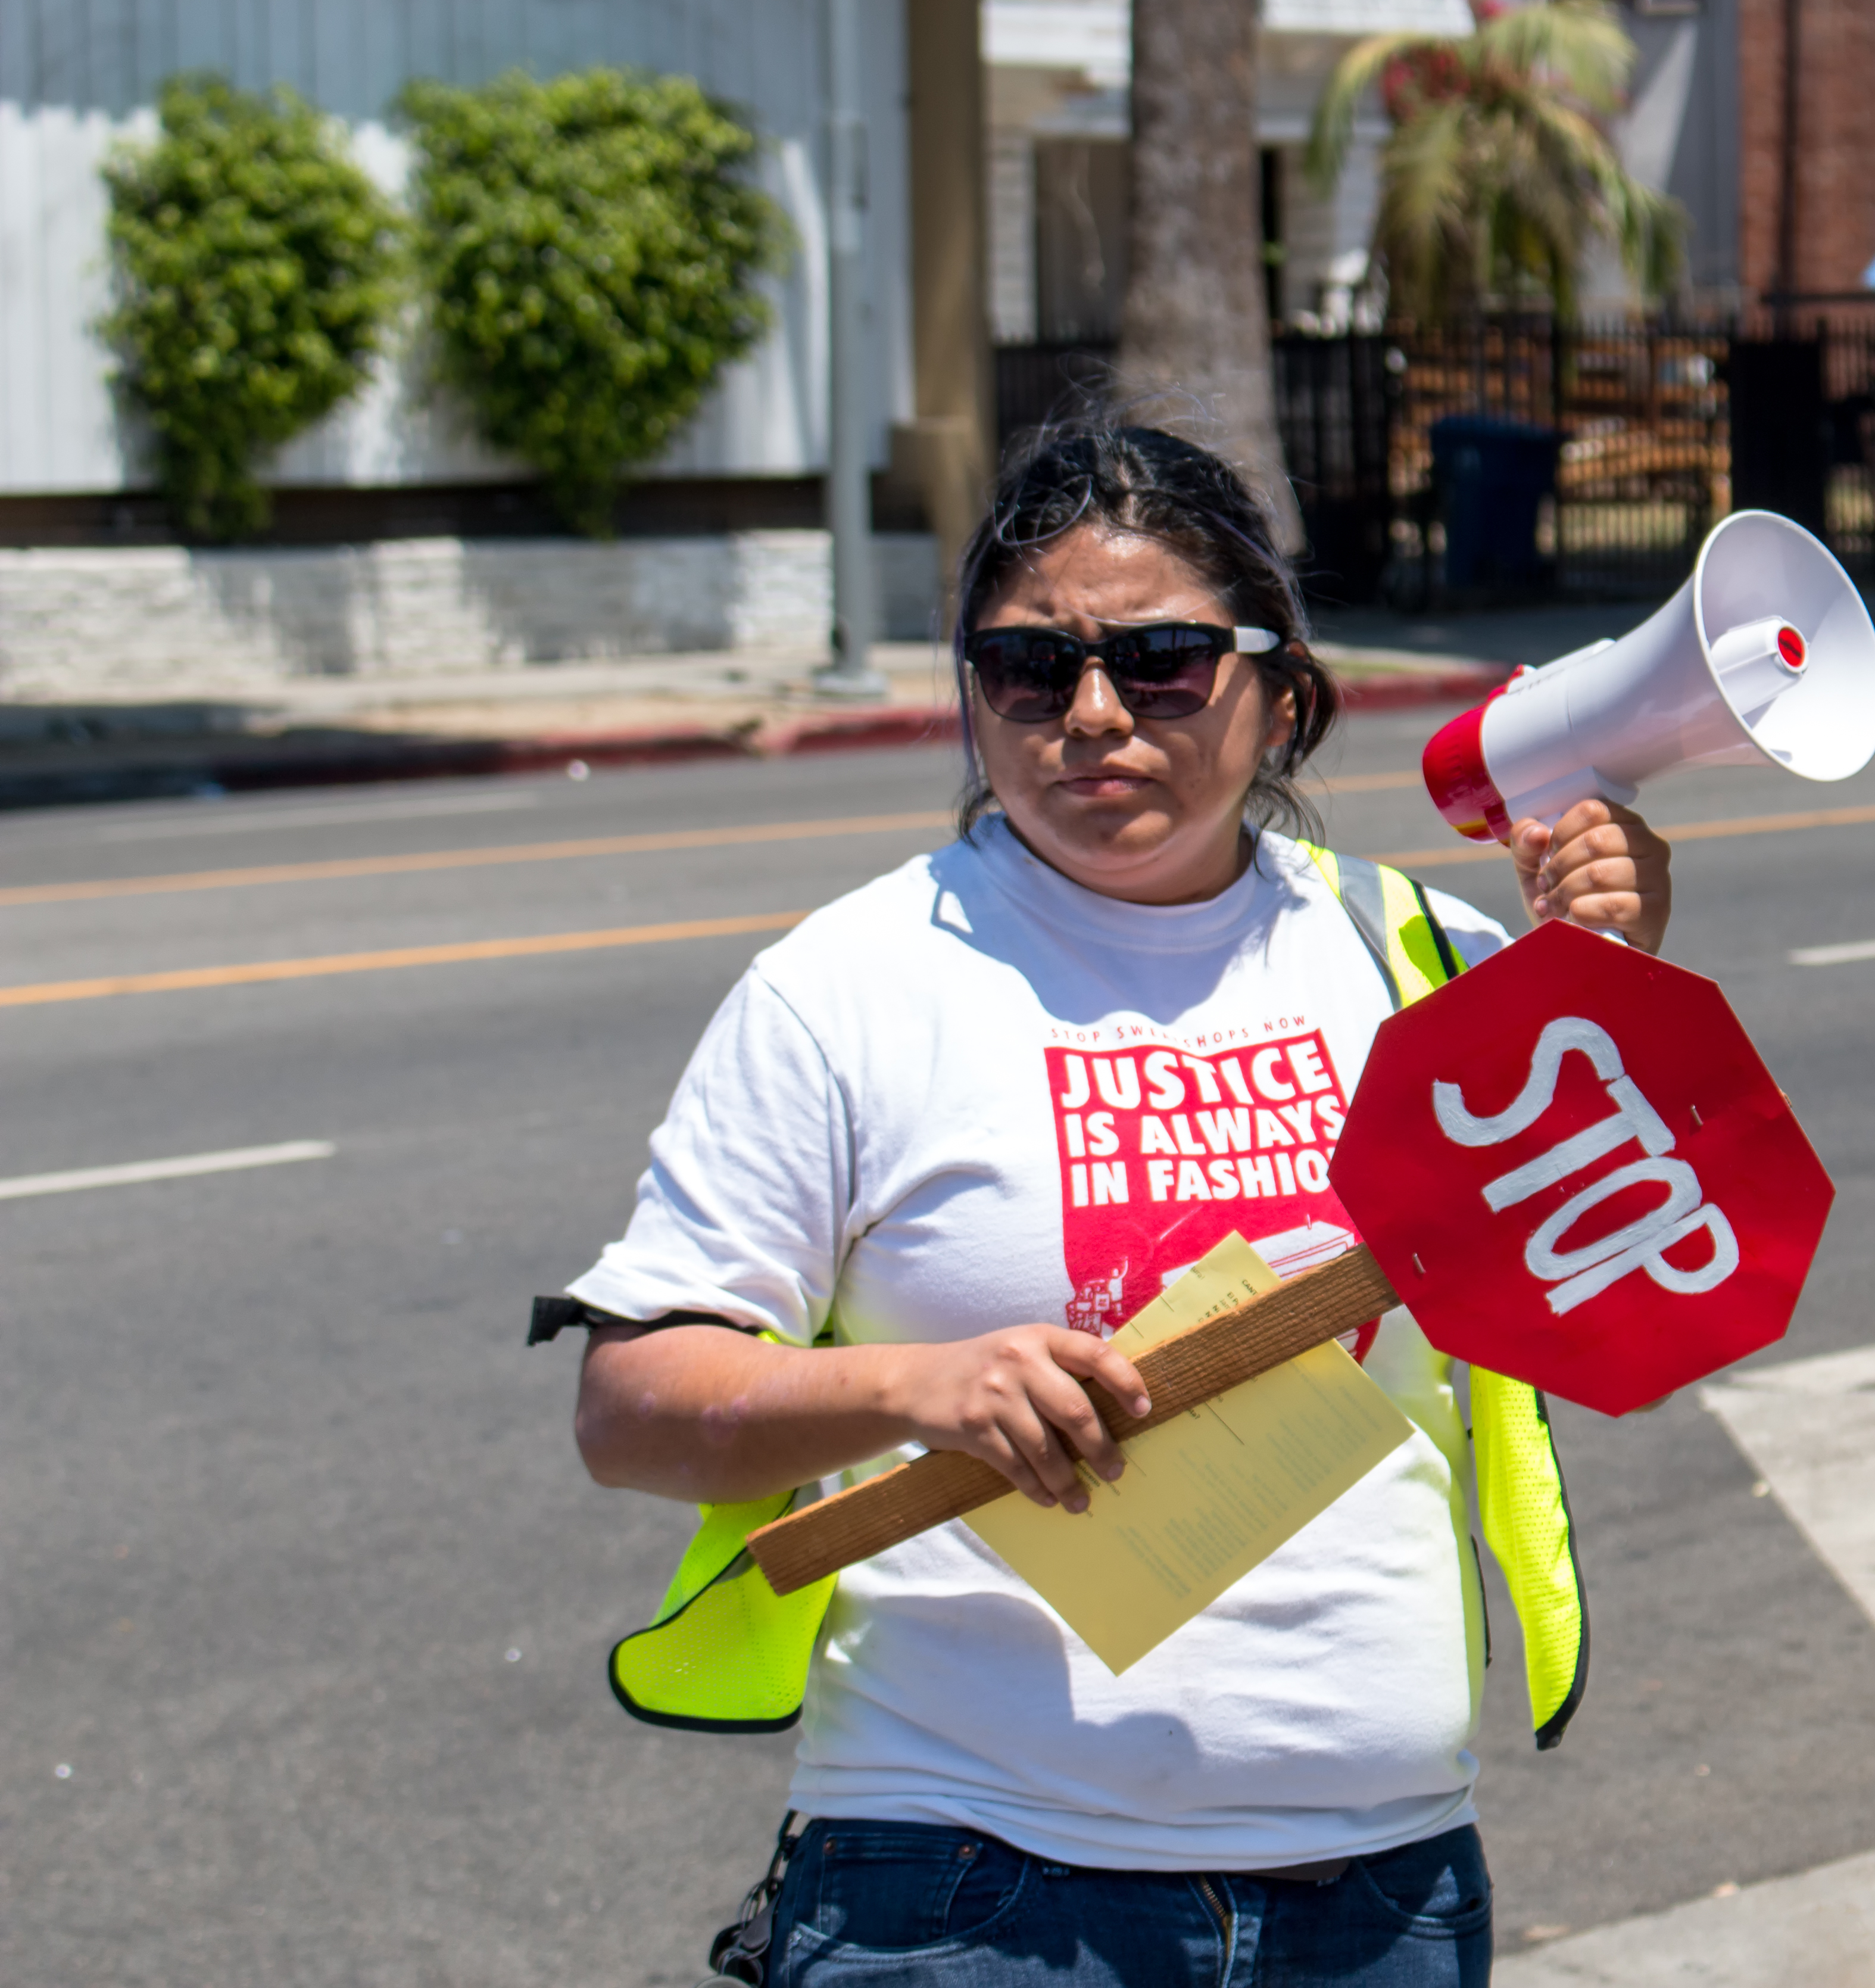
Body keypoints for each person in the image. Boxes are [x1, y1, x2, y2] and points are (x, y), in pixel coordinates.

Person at [557, 416, 1673, 1987]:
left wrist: (1603, 983)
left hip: (1383, 1891)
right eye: (1028, 668)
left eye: (1159, 660)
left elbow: (1614, 1296)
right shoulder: (849, 991)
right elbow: (631, 1409)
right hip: (969, 1887)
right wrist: (919, 1386)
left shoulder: (1418, 962)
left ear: (1278, 690)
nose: (1092, 716)